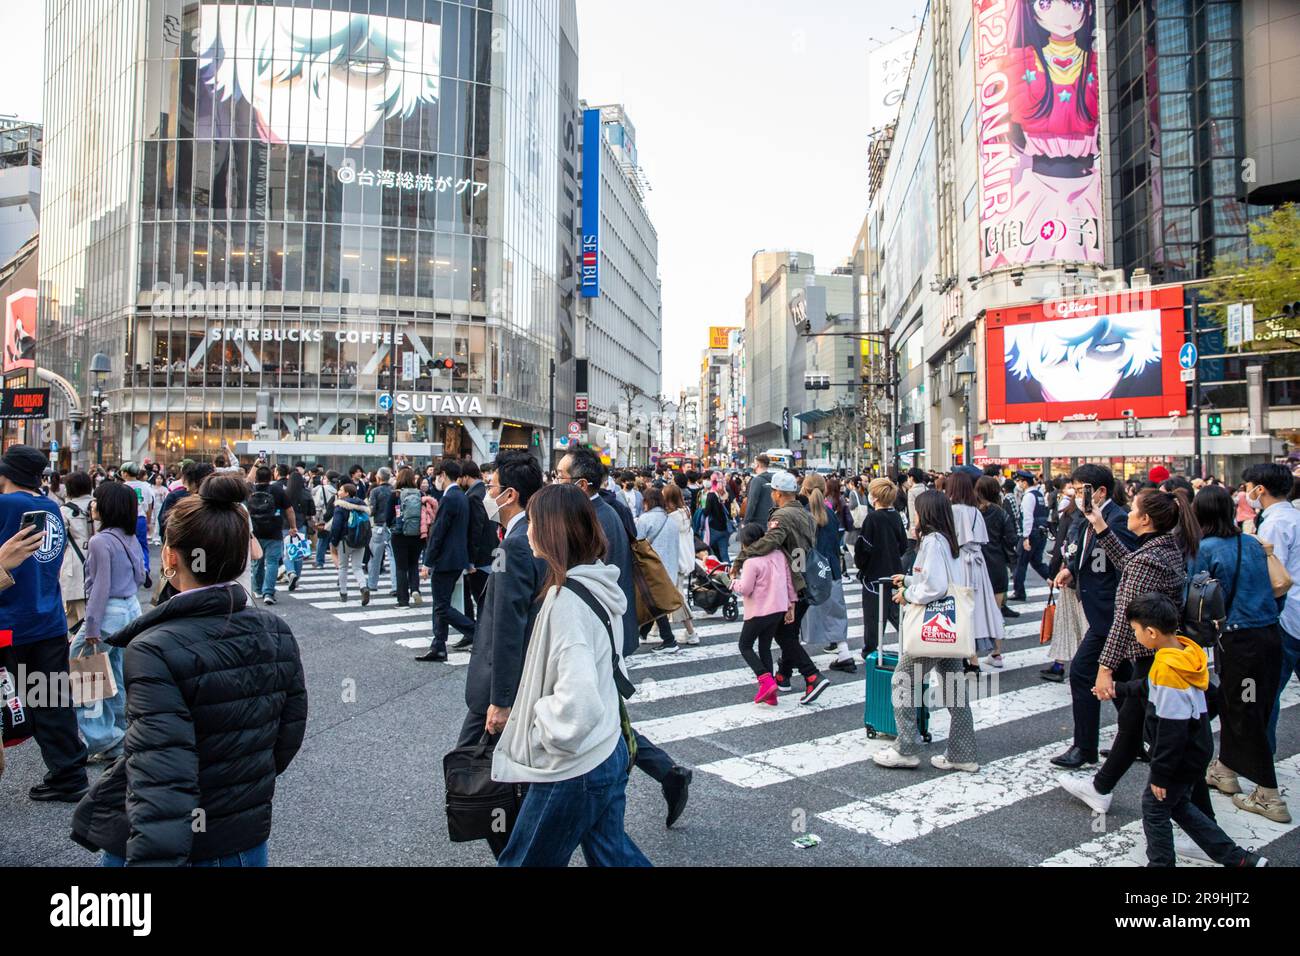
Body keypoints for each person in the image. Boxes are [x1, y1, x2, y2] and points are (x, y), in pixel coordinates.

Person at [70, 474, 308, 866]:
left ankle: (96, 737)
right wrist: (241, 780)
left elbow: (160, 775)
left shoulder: (154, 648)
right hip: (245, 833)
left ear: (170, 557)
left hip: (177, 841)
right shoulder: (276, 630)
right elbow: (288, 732)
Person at [491, 482, 651, 867]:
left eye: (533, 521)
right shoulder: (598, 583)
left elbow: (576, 704)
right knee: (613, 856)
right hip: (607, 746)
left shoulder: (566, 600)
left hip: (574, 766)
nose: (527, 528)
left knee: (523, 862)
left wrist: (537, 724)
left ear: (551, 530)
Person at [556, 448, 693, 828]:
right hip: (612, 628)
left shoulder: (593, 518)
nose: (556, 484)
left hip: (600, 632)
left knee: (605, 718)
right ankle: (666, 773)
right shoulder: (610, 509)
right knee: (609, 714)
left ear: (582, 485)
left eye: (562, 478)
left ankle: (625, 788)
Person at [1059, 488, 1198, 816]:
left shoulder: (1149, 557)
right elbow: (1130, 563)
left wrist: (1105, 667)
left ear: (1145, 519)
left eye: (1134, 510)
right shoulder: (1161, 549)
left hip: (1151, 654)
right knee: (1133, 723)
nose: (1129, 514)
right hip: (1159, 652)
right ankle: (1101, 788)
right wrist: (1100, 525)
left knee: (1159, 731)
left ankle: (1196, 813)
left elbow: (1123, 618)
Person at [1115, 595, 1267, 868]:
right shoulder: (1184, 652)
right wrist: (1119, 688)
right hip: (1197, 747)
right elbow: (1154, 689)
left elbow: (1172, 730)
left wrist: (1161, 773)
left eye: (1135, 631)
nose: (1135, 636)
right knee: (1179, 806)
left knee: (1154, 807)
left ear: (1151, 632)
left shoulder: (1167, 669)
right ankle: (1241, 860)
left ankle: (1162, 864)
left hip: (1180, 754)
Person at [1190, 485, 1289, 823]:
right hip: (1270, 635)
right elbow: (1276, 591)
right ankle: (1225, 770)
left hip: (1238, 641)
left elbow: (1197, 597)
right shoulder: (1251, 542)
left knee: (1244, 710)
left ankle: (1269, 795)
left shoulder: (1205, 549)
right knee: (1249, 706)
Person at [0, 445, 87, 801]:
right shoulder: (51, 507)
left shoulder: (5, 506)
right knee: (50, 698)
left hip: (8, 621)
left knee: (10, 700)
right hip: (47, 618)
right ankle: (70, 774)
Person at [874, 490, 979, 773]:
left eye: (917, 511)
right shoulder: (948, 540)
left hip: (932, 628)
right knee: (955, 690)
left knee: (902, 680)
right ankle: (962, 753)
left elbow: (934, 587)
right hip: (949, 627)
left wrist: (908, 593)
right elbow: (941, 579)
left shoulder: (932, 541)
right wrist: (909, 579)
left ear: (927, 514)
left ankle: (906, 748)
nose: (914, 515)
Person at [1050, 464, 1135, 769]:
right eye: (1073, 488)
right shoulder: (1090, 518)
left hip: (1112, 615)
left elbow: (1126, 563)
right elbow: (1090, 556)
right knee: (1124, 680)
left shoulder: (1115, 519)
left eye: (1082, 488)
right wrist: (1071, 571)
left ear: (1100, 491)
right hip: (1101, 612)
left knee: (1083, 672)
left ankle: (1085, 748)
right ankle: (1139, 738)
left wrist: (1099, 524)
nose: (1074, 494)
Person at [732, 470, 831, 704]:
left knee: (784, 635)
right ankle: (783, 677)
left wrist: (742, 557)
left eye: (774, 493)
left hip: (794, 582)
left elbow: (769, 542)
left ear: (777, 493)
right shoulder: (804, 513)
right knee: (787, 633)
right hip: (805, 579)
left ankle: (812, 676)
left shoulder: (782, 515)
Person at [73, 481, 146, 762]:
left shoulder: (100, 541)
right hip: (130, 610)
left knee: (85, 673)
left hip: (106, 615)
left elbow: (100, 587)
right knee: (114, 674)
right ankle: (118, 734)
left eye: (97, 500)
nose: (93, 505)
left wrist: (91, 626)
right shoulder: (128, 537)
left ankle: (101, 738)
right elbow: (141, 576)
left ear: (107, 506)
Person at [1242, 463, 1300, 757]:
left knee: (1266, 692)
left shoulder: (1275, 523)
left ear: (1259, 489)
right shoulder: (1293, 517)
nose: (1246, 493)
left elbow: (1271, 576)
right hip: (1295, 613)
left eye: (1247, 486)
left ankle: (1260, 761)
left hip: (1286, 615)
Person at [944, 470, 1006, 670]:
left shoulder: (951, 511)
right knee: (976, 610)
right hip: (977, 566)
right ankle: (973, 660)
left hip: (958, 563)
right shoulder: (975, 512)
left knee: (958, 610)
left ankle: (967, 658)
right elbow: (981, 539)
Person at [732, 522, 797, 705]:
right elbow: (789, 582)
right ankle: (771, 695)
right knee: (764, 647)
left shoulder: (751, 562)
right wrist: (791, 604)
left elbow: (745, 589)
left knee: (744, 645)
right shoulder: (778, 555)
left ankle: (765, 679)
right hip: (778, 609)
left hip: (759, 611)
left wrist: (732, 582)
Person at [418, 460, 475, 661]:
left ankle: (474, 631)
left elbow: (438, 533)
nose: (436, 481)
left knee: (441, 605)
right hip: (457, 558)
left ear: (443, 475)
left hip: (445, 559)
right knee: (440, 603)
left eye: (437, 477)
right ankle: (438, 645)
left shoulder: (450, 497)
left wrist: (427, 561)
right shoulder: (461, 496)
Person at [803, 473, 855, 673]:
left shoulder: (804, 513)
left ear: (805, 490)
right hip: (831, 567)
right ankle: (844, 653)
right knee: (835, 611)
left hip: (809, 570)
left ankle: (789, 663)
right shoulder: (830, 513)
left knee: (796, 615)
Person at [854, 477, 907, 660]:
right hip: (894, 572)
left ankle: (870, 650)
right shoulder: (896, 516)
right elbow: (903, 545)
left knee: (873, 617)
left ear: (874, 497)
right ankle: (911, 643)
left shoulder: (873, 518)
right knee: (895, 613)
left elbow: (863, 548)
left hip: (874, 575)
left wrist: (862, 565)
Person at [1042, 479, 1087, 682]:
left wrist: (1052, 574)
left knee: (1068, 622)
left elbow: (1060, 545)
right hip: (1079, 578)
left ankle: (1061, 664)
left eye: (1079, 491)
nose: (1076, 495)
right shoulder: (1091, 516)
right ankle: (1070, 663)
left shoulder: (1071, 515)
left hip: (1071, 577)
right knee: (1079, 623)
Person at [635, 486, 683, 653]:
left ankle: (669, 640)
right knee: (654, 601)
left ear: (648, 501)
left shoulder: (645, 519)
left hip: (653, 568)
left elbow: (637, 543)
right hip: (670, 567)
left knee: (655, 603)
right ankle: (642, 633)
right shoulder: (670, 520)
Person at [247, 465, 296, 606]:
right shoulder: (277, 490)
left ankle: (257, 589)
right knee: (272, 562)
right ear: (271, 477)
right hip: (274, 531)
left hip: (254, 532)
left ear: (256, 477)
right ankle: (268, 592)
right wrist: (293, 526)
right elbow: (289, 510)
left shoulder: (250, 490)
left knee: (257, 562)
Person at [976, 475, 1018, 623]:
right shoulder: (1001, 513)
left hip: (975, 564)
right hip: (996, 564)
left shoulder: (971, 512)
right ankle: (996, 646)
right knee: (995, 615)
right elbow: (1012, 539)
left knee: (976, 615)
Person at [662, 482, 700, 645]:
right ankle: (656, 630)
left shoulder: (670, 519)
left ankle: (691, 632)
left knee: (676, 599)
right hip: (684, 560)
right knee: (669, 596)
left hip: (674, 561)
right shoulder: (685, 513)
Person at [59, 471, 95, 635]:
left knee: (76, 627)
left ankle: (82, 660)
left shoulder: (65, 511)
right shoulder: (100, 506)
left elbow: (59, 544)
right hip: (100, 571)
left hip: (74, 572)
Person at [461, 461, 497, 623]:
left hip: (480, 556)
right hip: (491, 551)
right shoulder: (485, 492)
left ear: (466, 476)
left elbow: (476, 528)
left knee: (479, 597)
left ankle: (479, 635)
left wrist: (470, 559)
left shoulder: (474, 495)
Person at [389, 467, 426, 608]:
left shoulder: (395, 495)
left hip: (400, 535)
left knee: (401, 567)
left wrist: (393, 525)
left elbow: (388, 516)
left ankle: (403, 600)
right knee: (413, 564)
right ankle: (415, 590)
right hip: (418, 534)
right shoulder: (420, 494)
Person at [329, 483, 372, 604]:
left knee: (343, 567)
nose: (339, 491)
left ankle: (343, 593)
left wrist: (334, 541)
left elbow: (336, 526)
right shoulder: (362, 505)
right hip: (360, 540)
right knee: (357, 567)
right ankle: (363, 587)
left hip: (345, 540)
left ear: (347, 493)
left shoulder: (340, 506)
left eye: (341, 490)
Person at [1011, 469, 1050, 602]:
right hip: (1041, 532)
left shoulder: (1028, 496)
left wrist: (1025, 537)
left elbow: (1027, 518)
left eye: (1019, 482)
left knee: (1020, 562)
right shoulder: (1039, 494)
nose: (1019, 484)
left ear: (1024, 482)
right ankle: (1054, 578)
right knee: (1037, 562)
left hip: (1031, 533)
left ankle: (1019, 592)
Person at [120, 461, 155, 582]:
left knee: (126, 545)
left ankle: (129, 571)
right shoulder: (146, 486)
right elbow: (150, 506)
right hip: (141, 518)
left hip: (126, 519)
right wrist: (149, 522)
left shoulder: (123, 487)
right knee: (142, 546)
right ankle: (145, 568)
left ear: (125, 473)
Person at [703, 472, 731, 562]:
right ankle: (729, 572)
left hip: (714, 529)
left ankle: (713, 570)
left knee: (706, 550)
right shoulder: (726, 494)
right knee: (724, 554)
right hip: (725, 528)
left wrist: (701, 510)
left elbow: (706, 512)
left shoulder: (711, 495)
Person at [743, 454, 774, 526]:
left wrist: (746, 522)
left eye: (754, 463)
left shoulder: (756, 480)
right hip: (771, 519)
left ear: (757, 465)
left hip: (757, 522)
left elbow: (752, 502)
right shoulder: (773, 480)